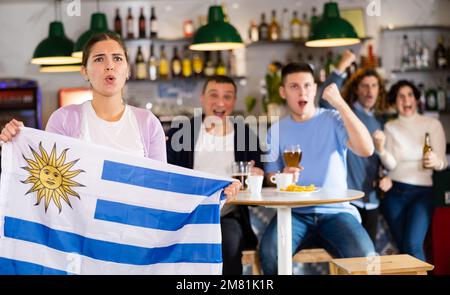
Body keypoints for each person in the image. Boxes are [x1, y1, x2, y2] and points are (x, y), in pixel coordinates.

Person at [0, 33, 240, 198]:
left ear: (127, 70)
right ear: (85, 71)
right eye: (99, 59)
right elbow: (44, 180)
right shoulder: (64, 119)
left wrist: (215, 191)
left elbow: (162, 186)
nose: (109, 66)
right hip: (78, 237)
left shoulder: (148, 123)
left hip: (132, 234)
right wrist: (17, 142)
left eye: (117, 58)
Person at [259, 63, 376, 275]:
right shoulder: (275, 130)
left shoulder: (334, 119)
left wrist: (339, 103)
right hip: (293, 214)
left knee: (366, 258)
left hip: (336, 212)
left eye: (307, 85)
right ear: (283, 92)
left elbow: (367, 149)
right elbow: (269, 177)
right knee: (268, 253)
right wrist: (280, 178)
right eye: (294, 86)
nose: (302, 91)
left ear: (315, 89)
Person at [166, 75, 263, 275]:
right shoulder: (182, 132)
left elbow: (258, 185)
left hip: (227, 215)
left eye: (227, 96)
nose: (220, 102)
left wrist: (256, 176)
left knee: (228, 244)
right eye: (213, 95)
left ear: (234, 101)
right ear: (202, 98)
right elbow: (167, 175)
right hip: (188, 213)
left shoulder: (246, 135)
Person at [373, 80, 448, 261]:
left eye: (409, 95)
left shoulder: (432, 125)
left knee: (413, 245)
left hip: (422, 193)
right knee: (405, 249)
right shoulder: (390, 126)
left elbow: (443, 162)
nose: (406, 100)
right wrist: (380, 149)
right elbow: (391, 164)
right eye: (400, 96)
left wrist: (435, 161)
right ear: (394, 101)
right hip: (394, 194)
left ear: (416, 99)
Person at [337, 68, 393, 243]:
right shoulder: (346, 114)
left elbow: (379, 159)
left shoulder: (379, 121)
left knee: (368, 257)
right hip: (349, 198)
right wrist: (341, 67)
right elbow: (324, 103)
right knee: (349, 255)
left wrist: (386, 177)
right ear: (356, 89)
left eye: (374, 86)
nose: (370, 91)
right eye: (365, 86)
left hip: (372, 199)